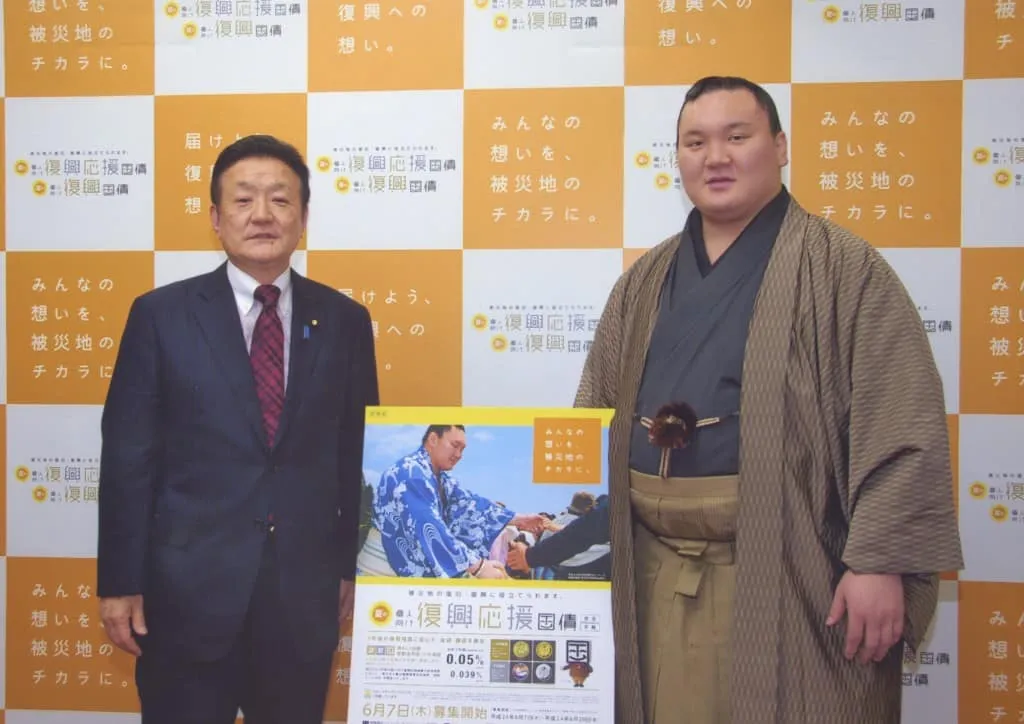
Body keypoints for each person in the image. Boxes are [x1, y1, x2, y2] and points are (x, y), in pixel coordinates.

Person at [574, 76, 963, 724]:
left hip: (793, 572)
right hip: (649, 570)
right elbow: (593, 419)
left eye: (737, 136)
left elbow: (900, 421)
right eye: (695, 141)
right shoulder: (642, 282)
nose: (715, 157)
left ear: (780, 146)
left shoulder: (844, 270)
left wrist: (880, 561)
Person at [96, 134, 379, 724]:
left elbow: (356, 453)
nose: (262, 215)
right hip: (184, 594)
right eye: (244, 199)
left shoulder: (347, 321)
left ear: (303, 216)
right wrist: (120, 581)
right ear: (214, 217)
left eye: (280, 200)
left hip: (302, 596)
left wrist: (350, 566)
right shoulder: (160, 315)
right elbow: (128, 458)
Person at [364, 424, 547, 578]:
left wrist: (518, 519)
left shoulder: (440, 477)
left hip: (402, 560)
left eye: (462, 449)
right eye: (455, 445)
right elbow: (429, 527)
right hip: (384, 562)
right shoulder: (411, 474)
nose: (459, 454)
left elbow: (469, 503)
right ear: (433, 439)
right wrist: (478, 566)